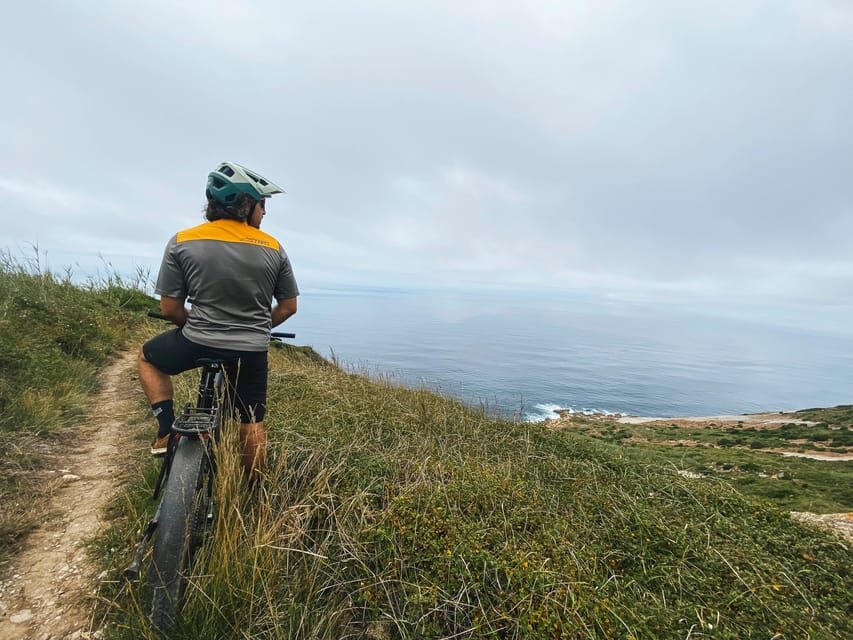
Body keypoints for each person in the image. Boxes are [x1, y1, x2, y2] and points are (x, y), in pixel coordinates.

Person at [138, 161, 298, 481]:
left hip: (196, 341)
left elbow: (170, 308)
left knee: (147, 358)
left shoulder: (182, 241)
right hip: (250, 350)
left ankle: (167, 429)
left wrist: (193, 324)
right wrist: (258, 327)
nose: (264, 212)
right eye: (262, 205)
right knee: (251, 422)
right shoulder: (273, 247)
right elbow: (288, 307)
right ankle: (255, 492)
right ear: (246, 205)